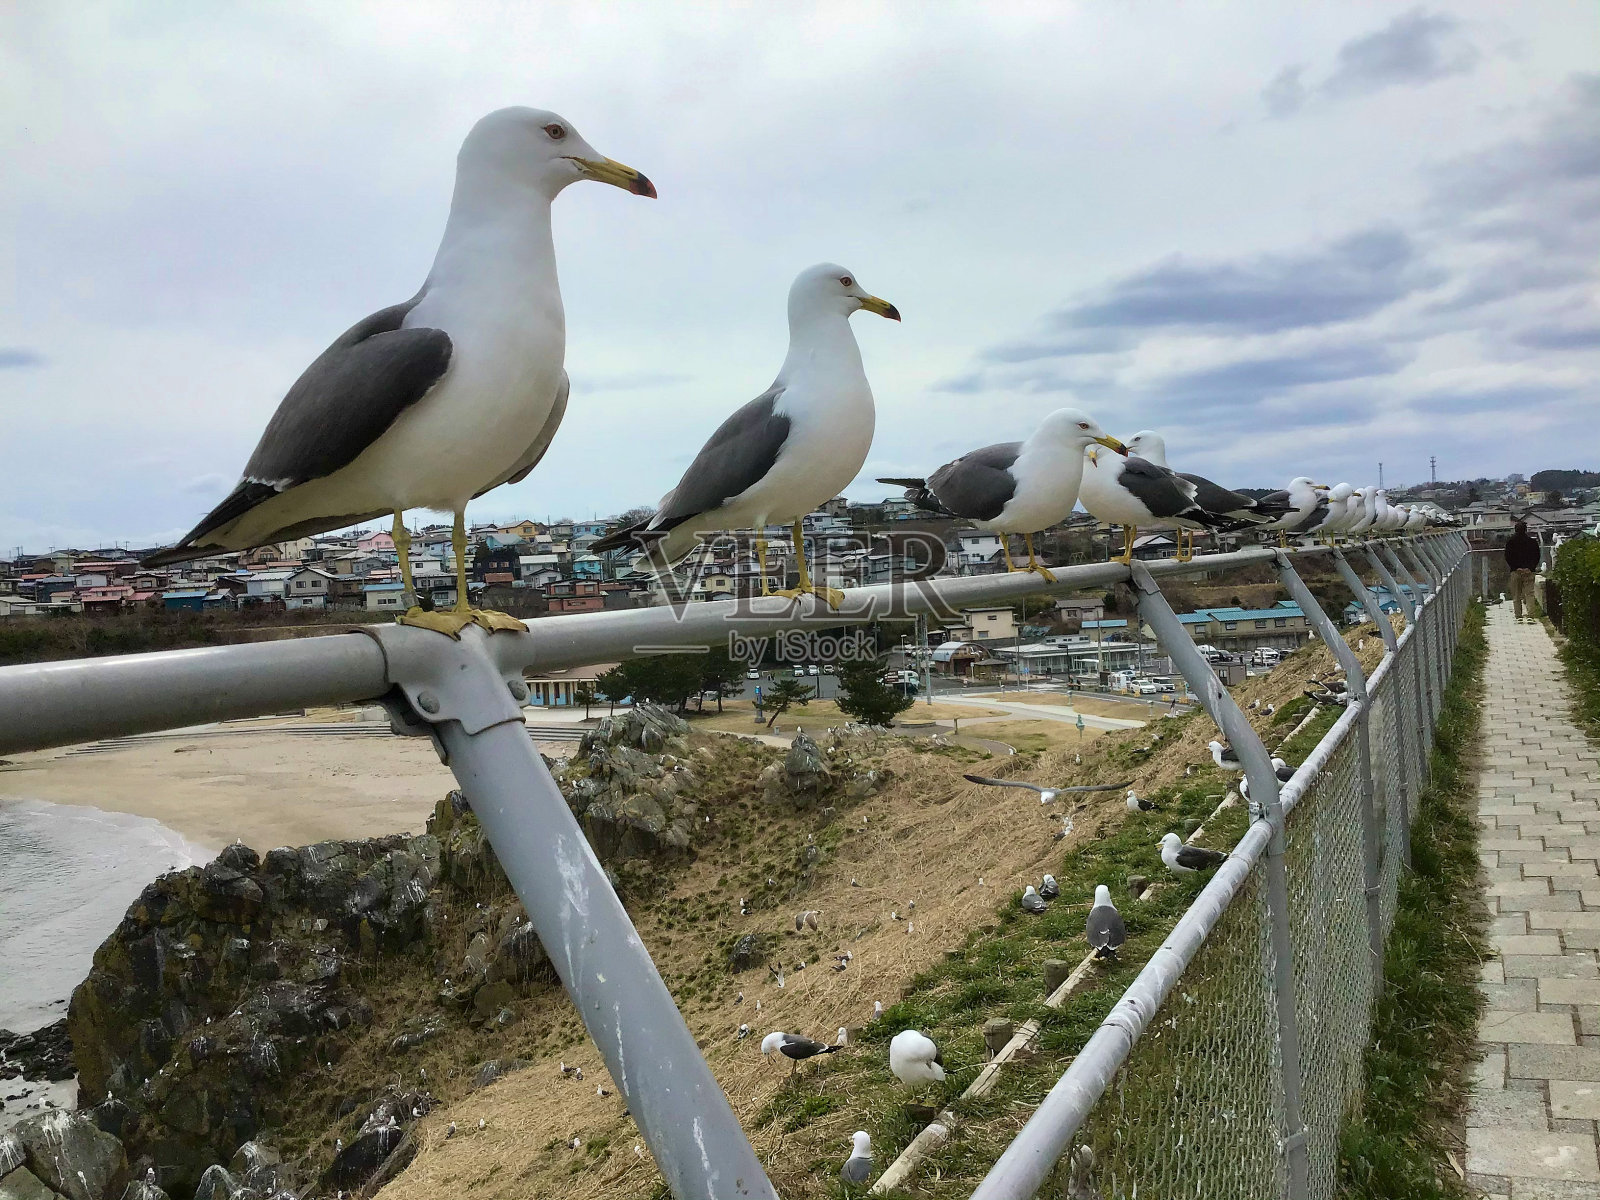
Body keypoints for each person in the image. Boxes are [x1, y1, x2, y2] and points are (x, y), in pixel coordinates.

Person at [1504, 520, 1541, 620]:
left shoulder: (1510, 542)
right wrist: (1530, 567)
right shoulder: (1532, 542)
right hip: (1529, 571)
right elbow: (1536, 556)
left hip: (1516, 572)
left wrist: (1516, 567)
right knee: (1529, 594)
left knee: (1516, 595)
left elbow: (1508, 557)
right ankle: (1530, 615)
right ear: (1526, 530)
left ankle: (1518, 615)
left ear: (1515, 530)